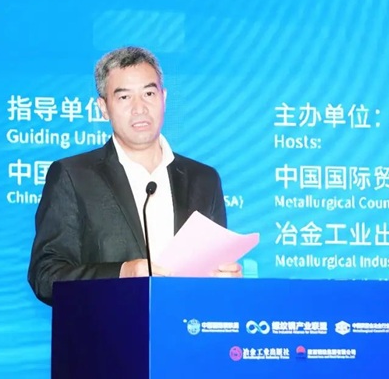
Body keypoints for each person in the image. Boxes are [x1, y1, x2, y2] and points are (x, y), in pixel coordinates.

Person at [28, 46, 242, 305]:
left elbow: (213, 271)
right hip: (108, 329)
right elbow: (46, 276)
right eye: (124, 97)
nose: (139, 108)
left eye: (149, 93)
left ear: (164, 97)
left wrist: (224, 280)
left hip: (186, 326)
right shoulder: (73, 176)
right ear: (103, 107)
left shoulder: (204, 179)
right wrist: (122, 273)